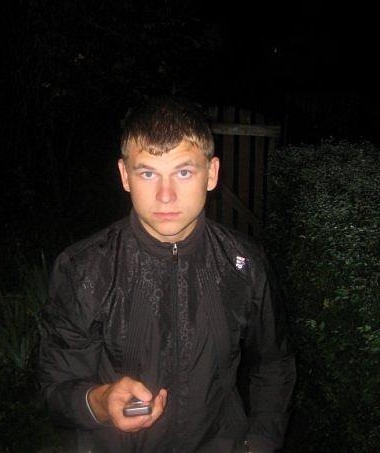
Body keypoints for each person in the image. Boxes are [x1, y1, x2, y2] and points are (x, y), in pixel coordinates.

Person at [38, 96, 296, 452]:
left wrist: (261, 441)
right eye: (148, 173)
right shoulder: (84, 269)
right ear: (125, 176)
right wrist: (101, 400)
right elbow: (55, 388)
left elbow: (274, 363)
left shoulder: (245, 263)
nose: (165, 195)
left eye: (184, 172)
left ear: (212, 174)